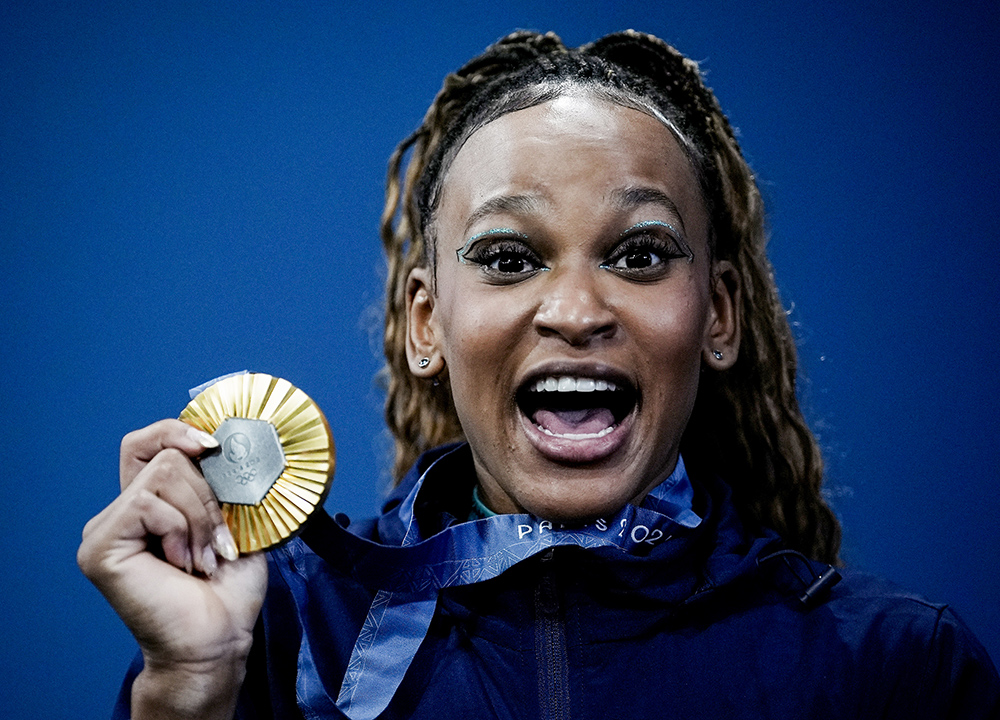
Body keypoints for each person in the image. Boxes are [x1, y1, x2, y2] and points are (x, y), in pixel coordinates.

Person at [78, 30, 1000, 719]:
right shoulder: (274, 639)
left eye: (640, 255)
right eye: (510, 258)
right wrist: (188, 694)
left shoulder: (897, 668)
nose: (575, 309)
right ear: (426, 323)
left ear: (717, 314)